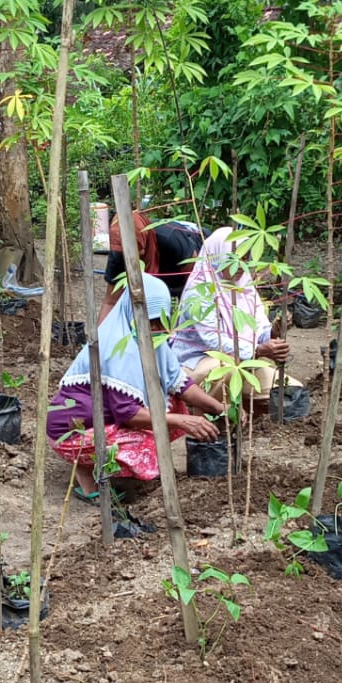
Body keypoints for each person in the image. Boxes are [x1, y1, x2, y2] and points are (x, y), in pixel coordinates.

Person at [49, 273, 229, 500]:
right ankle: (89, 474)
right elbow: (128, 413)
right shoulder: (117, 345)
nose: (155, 328)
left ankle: (100, 465)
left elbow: (180, 384)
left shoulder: (156, 340)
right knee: (146, 442)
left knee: (175, 406)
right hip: (72, 431)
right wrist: (182, 421)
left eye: (160, 322)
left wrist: (220, 407)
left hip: (103, 419)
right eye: (150, 321)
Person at [172, 227, 293, 403]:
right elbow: (212, 340)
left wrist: (273, 331)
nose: (239, 265)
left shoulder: (245, 287)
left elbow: (258, 331)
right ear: (217, 256)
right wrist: (257, 351)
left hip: (244, 360)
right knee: (227, 368)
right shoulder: (199, 291)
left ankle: (245, 420)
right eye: (232, 258)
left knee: (287, 392)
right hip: (195, 362)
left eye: (244, 258)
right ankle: (210, 418)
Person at [98, 211, 204, 323]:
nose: (141, 253)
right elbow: (111, 302)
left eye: (140, 248)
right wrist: (99, 337)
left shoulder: (170, 239)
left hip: (193, 263)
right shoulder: (119, 253)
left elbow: (194, 287)